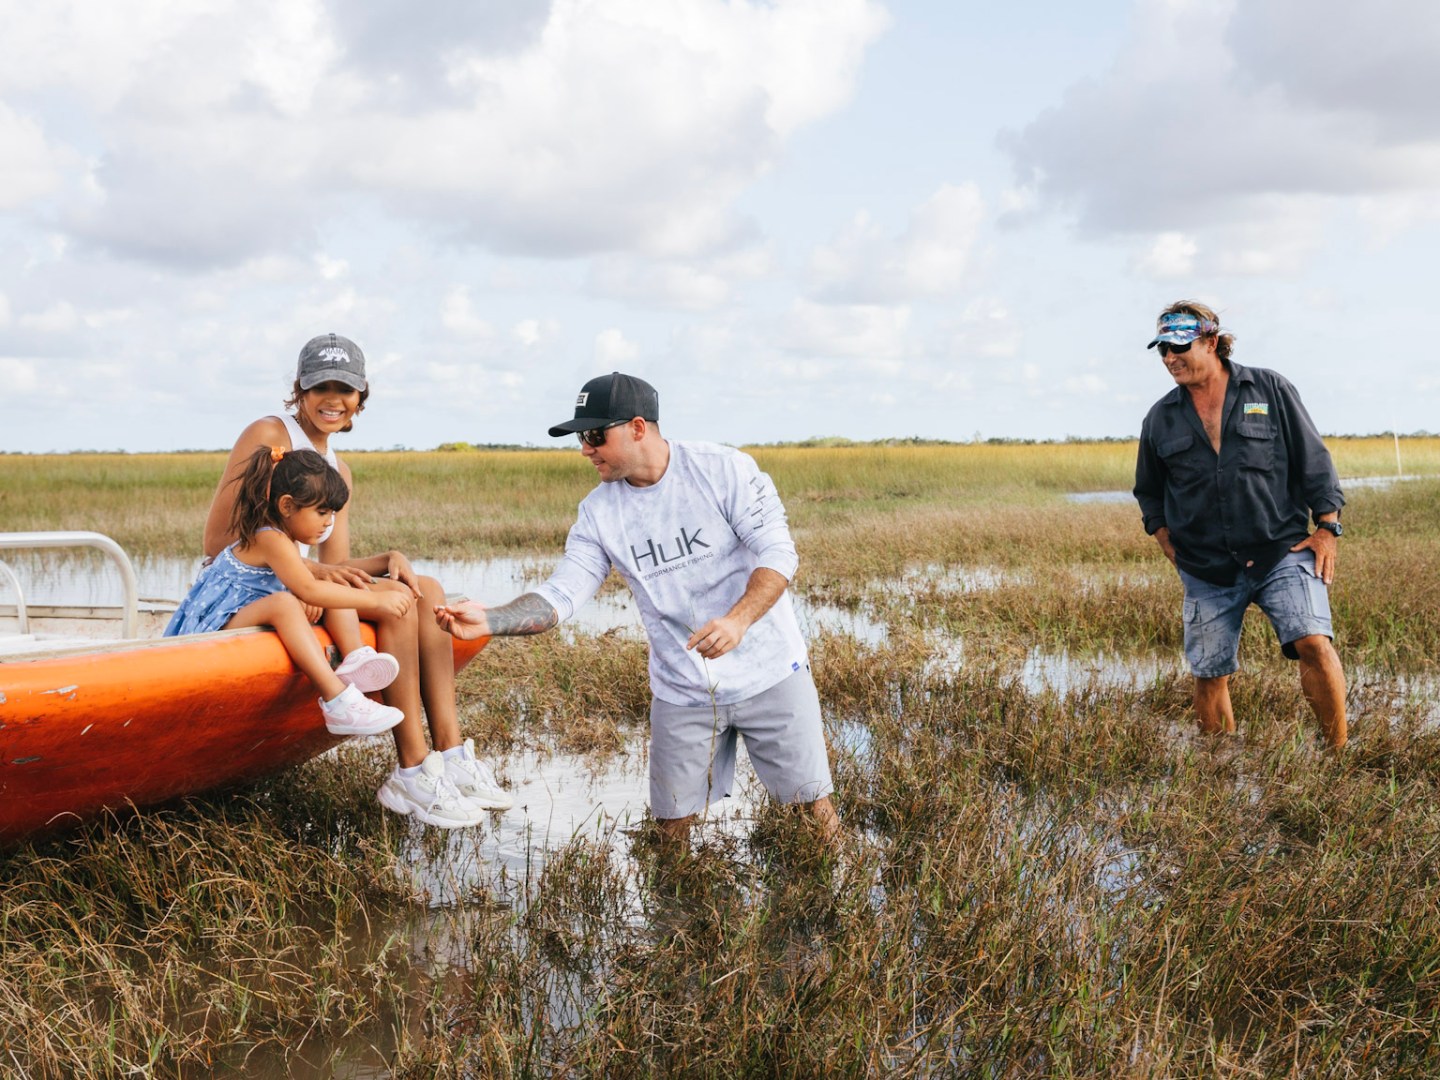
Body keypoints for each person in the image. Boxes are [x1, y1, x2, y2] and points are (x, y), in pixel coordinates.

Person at [435, 372, 839, 850]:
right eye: (580, 438)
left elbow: (778, 553)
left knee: (810, 811)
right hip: (682, 688)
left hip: (771, 671)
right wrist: (493, 620)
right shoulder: (598, 513)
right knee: (670, 830)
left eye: (594, 435)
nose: (585, 449)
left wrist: (738, 620)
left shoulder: (724, 469)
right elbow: (563, 594)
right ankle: (673, 915)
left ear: (639, 427)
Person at [201, 333, 510, 828]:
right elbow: (218, 542)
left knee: (422, 588)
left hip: (298, 582)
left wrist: (390, 558)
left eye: (344, 388)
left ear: (360, 397)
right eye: (320, 385)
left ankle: (450, 755)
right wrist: (311, 579)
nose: (332, 399)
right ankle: (412, 765)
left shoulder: (338, 468)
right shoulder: (269, 434)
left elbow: (336, 562)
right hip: (255, 586)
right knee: (400, 599)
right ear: (299, 389)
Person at [1133, 301, 1347, 749]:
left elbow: (1315, 463)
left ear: (1212, 342)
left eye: (1179, 346)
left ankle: (1337, 756)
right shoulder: (1159, 418)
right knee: (1210, 673)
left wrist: (1327, 527)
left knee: (1313, 642)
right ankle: (1222, 769)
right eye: (1162, 351)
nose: (1170, 358)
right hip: (1205, 566)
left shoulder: (1269, 389)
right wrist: (1169, 545)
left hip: (1280, 550)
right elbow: (1149, 493)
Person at [167, 446, 409, 737]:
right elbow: (306, 588)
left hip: (246, 610)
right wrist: (376, 600)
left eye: (332, 513)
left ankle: (355, 655)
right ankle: (337, 701)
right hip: (215, 626)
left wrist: (305, 595)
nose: (328, 522)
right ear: (286, 506)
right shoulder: (270, 537)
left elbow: (304, 587)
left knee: (329, 581)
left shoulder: (285, 538)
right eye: (321, 512)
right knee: (285, 602)